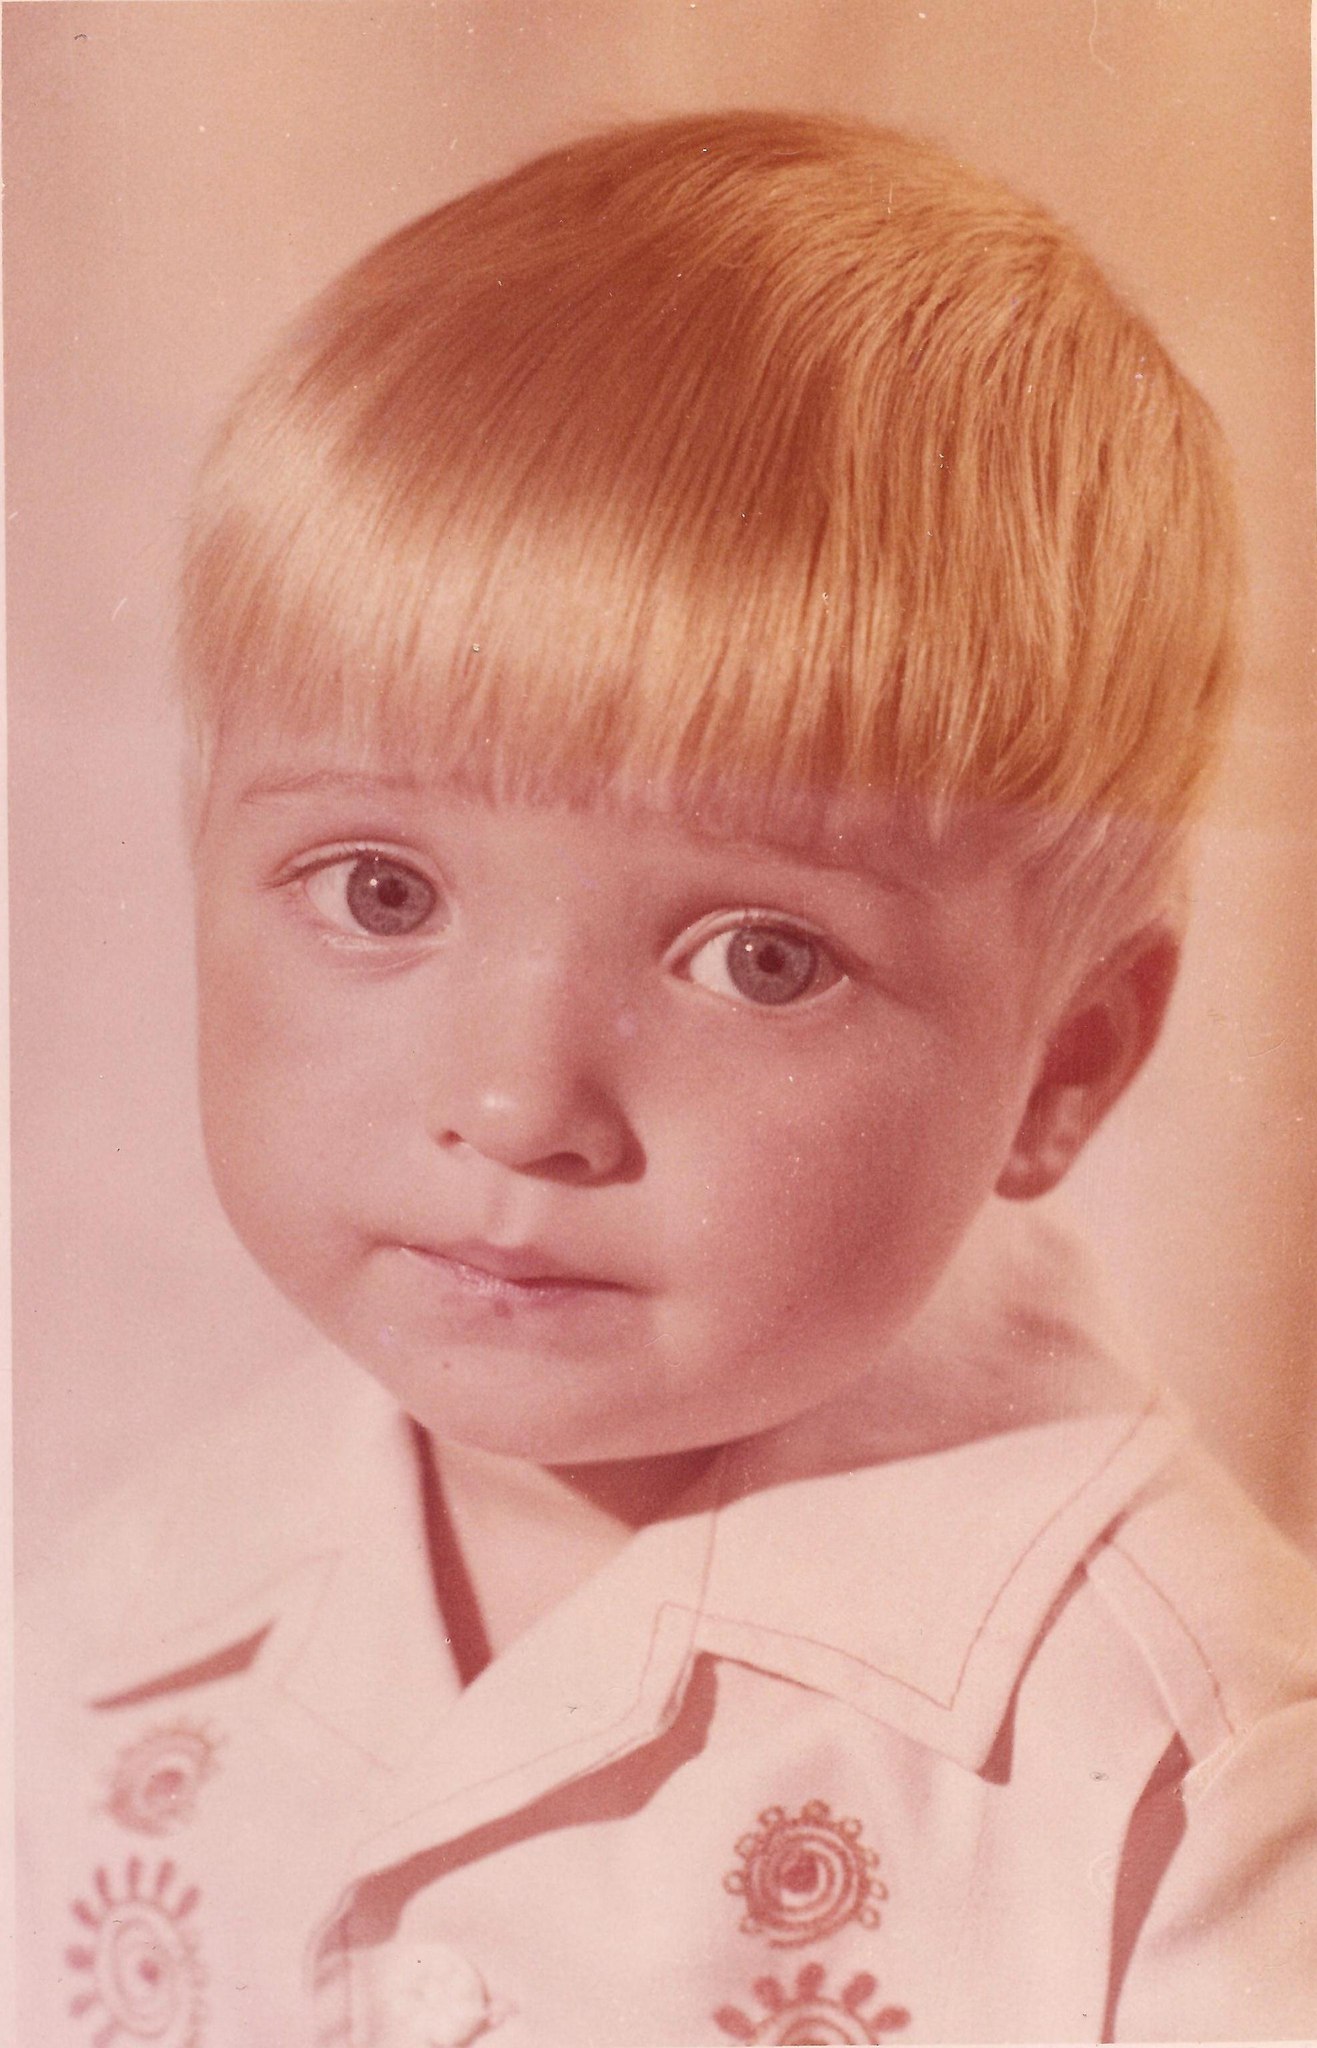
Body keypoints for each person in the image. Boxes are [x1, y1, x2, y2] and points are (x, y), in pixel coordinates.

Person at [19, 111, 1316, 2047]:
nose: (514, 1104)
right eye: (380, 890)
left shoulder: (1188, 1777)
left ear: (1068, 1060)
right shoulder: (108, 1615)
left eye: (759, 956)